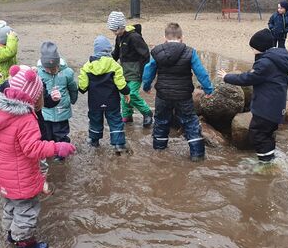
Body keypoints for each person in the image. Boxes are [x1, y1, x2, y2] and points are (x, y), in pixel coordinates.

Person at [0, 65, 76, 248]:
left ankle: (10, 233)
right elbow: (33, 149)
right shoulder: (25, 118)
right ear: (33, 95)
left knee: (9, 204)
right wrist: (57, 147)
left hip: (3, 174)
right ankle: (23, 244)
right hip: (21, 176)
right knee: (27, 210)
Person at [218, 28, 288, 163]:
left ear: (260, 48)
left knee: (257, 134)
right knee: (267, 134)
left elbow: (247, 78)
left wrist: (227, 77)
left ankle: (266, 163)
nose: (252, 51)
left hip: (266, 109)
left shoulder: (265, 63)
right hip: (276, 108)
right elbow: (258, 74)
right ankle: (270, 157)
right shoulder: (276, 59)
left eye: (253, 48)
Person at [142, 22, 213, 162]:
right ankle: (197, 154)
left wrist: (146, 86)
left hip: (163, 95)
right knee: (190, 121)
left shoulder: (157, 51)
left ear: (164, 37)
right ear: (182, 37)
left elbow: (148, 70)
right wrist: (208, 88)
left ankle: (159, 149)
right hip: (183, 95)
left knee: (161, 121)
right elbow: (201, 72)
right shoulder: (190, 52)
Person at [0, 69, 61, 194]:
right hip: (20, 144)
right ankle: (31, 185)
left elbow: (46, 101)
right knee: (26, 164)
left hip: (36, 137)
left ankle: (40, 181)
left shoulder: (35, 88)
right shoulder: (8, 87)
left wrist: (54, 99)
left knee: (40, 163)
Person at [78, 35, 130, 151]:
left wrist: (81, 89)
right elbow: (120, 83)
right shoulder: (114, 65)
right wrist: (126, 92)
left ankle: (94, 140)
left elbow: (83, 86)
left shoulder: (87, 65)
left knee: (95, 119)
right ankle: (119, 144)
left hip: (95, 101)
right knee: (115, 119)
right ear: (108, 50)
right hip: (112, 101)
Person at [107, 11, 153, 127]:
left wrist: (143, 72)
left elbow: (146, 54)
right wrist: (107, 62)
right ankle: (127, 115)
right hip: (124, 71)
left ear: (121, 26)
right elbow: (116, 54)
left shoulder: (134, 37)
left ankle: (147, 113)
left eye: (115, 30)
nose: (114, 33)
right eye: (112, 31)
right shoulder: (119, 37)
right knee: (124, 93)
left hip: (136, 72)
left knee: (131, 93)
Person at [37, 41, 78, 161]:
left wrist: (73, 99)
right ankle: (50, 152)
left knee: (61, 134)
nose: (50, 71)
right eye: (48, 69)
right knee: (47, 135)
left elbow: (72, 87)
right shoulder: (38, 73)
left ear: (58, 64)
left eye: (54, 68)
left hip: (62, 111)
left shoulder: (67, 72)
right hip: (46, 111)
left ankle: (62, 154)